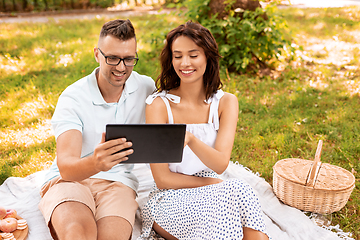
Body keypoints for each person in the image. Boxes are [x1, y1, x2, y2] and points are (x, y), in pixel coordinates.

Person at [139, 21, 270, 240]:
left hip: (216, 190)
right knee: (233, 192)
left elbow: (219, 164)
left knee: (238, 192)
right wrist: (213, 184)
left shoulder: (226, 102)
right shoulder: (158, 105)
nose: (185, 63)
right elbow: (162, 179)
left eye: (193, 55)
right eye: (177, 55)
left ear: (207, 57)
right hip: (171, 198)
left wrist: (190, 139)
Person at [39, 19, 155, 240]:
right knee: (77, 233)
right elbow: (66, 167)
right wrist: (96, 162)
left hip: (118, 184)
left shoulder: (146, 87)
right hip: (70, 181)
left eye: (129, 59)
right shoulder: (73, 97)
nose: (121, 67)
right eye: (112, 58)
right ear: (96, 54)